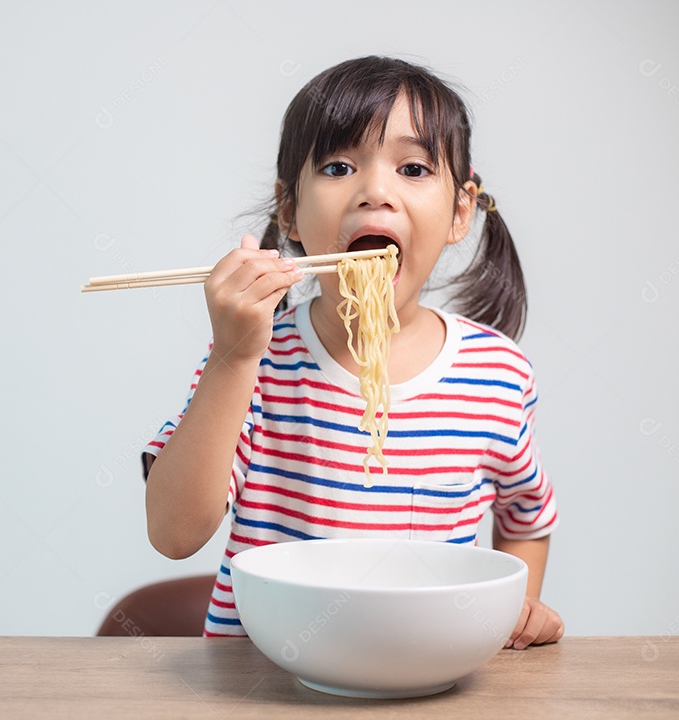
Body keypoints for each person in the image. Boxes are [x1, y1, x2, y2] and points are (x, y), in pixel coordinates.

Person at [141, 55, 562, 649]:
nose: (375, 192)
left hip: (427, 681)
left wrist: (517, 610)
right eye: (339, 166)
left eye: (413, 168)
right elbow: (173, 532)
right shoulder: (254, 360)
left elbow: (528, 515)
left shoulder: (497, 374)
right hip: (264, 684)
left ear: (460, 211)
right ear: (289, 210)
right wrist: (232, 360)